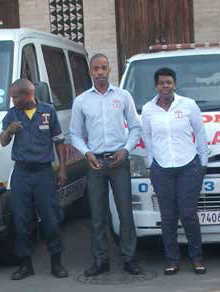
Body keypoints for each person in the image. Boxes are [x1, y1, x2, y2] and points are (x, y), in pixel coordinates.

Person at [69, 53, 142, 276]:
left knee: (125, 212)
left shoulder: (123, 96)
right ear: (90, 72)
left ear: (110, 70)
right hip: (95, 163)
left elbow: (136, 128)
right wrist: (87, 152)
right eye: (96, 68)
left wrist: (126, 150)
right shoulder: (81, 101)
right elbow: (74, 133)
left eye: (103, 68)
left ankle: (129, 258)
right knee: (97, 213)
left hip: (119, 161)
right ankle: (101, 260)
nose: (100, 72)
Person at [0, 78, 68, 280]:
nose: (13, 101)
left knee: (51, 219)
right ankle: (25, 265)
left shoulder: (48, 112)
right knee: (21, 220)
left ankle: (56, 263)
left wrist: (62, 169)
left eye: (15, 96)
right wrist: (8, 131)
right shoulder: (12, 115)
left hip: (44, 173)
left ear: (28, 94)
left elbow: (59, 143)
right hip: (21, 173)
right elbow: (2, 142)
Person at [142, 67, 208, 275]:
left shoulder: (188, 105)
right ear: (156, 86)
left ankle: (197, 258)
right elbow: (148, 139)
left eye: (169, 82)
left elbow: (200, 132)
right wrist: (151, 164)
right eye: (161, 83)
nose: (165, 86)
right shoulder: (148, 109)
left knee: (188, 215)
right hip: (161, 169)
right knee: (168, 217)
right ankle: (172, 260)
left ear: (174, 84)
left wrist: (203, 163)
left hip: (188, 167)